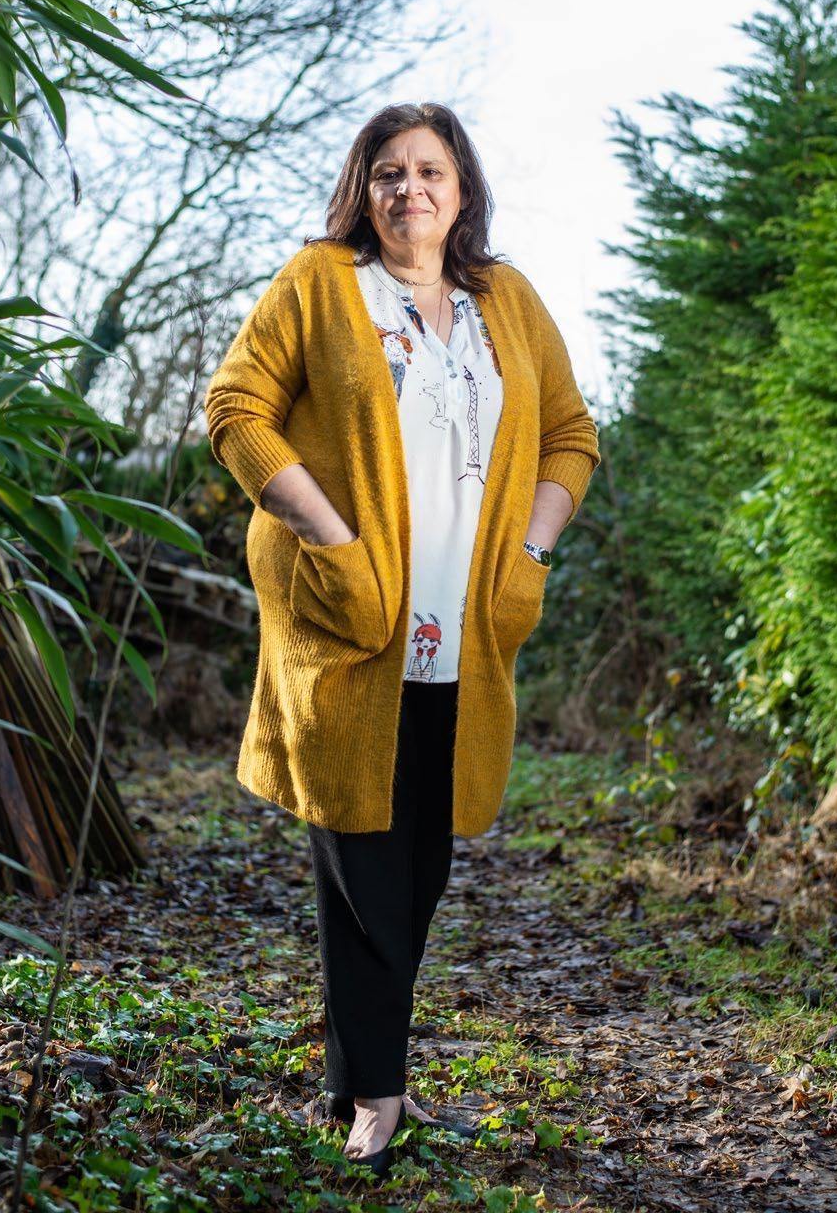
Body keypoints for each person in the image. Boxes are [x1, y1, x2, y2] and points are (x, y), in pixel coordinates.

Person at [203, 101, 601, 1175]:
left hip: (463, 638)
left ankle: (362, 1072)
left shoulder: (505, 300)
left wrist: (530, 553)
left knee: (415, 870)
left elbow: (569, 435)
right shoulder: (318, 284)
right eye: (387, 171)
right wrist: (330, 539)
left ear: (461, 190)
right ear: (363, 189)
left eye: (429, 170)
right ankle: (378, 1098)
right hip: (349, 629)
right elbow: (235, 408)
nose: (408, 188)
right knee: (363, 866)